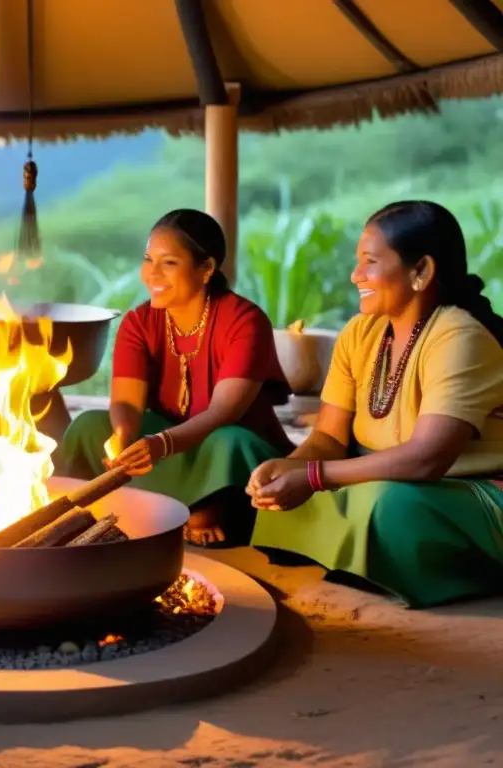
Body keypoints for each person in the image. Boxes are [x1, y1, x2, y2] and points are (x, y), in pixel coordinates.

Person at [248, 200, 503, 608]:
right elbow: (329, 437)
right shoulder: (361, 332)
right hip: (386, 480)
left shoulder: (460, 337)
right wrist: (293, 465)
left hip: (468, 491)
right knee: (304, 494)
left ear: (421, 271)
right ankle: (370, 557)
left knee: (390, 504)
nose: (355, 276)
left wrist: (313, 477)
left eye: (369, 262)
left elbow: (427, 459)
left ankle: (457, 569)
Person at [58, 209, 293, 546]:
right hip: (167, 447)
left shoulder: (245, 320)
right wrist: (123, 438)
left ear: (206, 269)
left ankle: (201, 505)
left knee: (230, 441)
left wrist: (161, 445)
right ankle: (136, 507)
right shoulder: (139, 322)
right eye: (147, 259)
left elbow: (222, 413)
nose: (151, 273)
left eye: (168, 263)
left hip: (224, 449)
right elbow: (126, 401)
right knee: (89, 426)